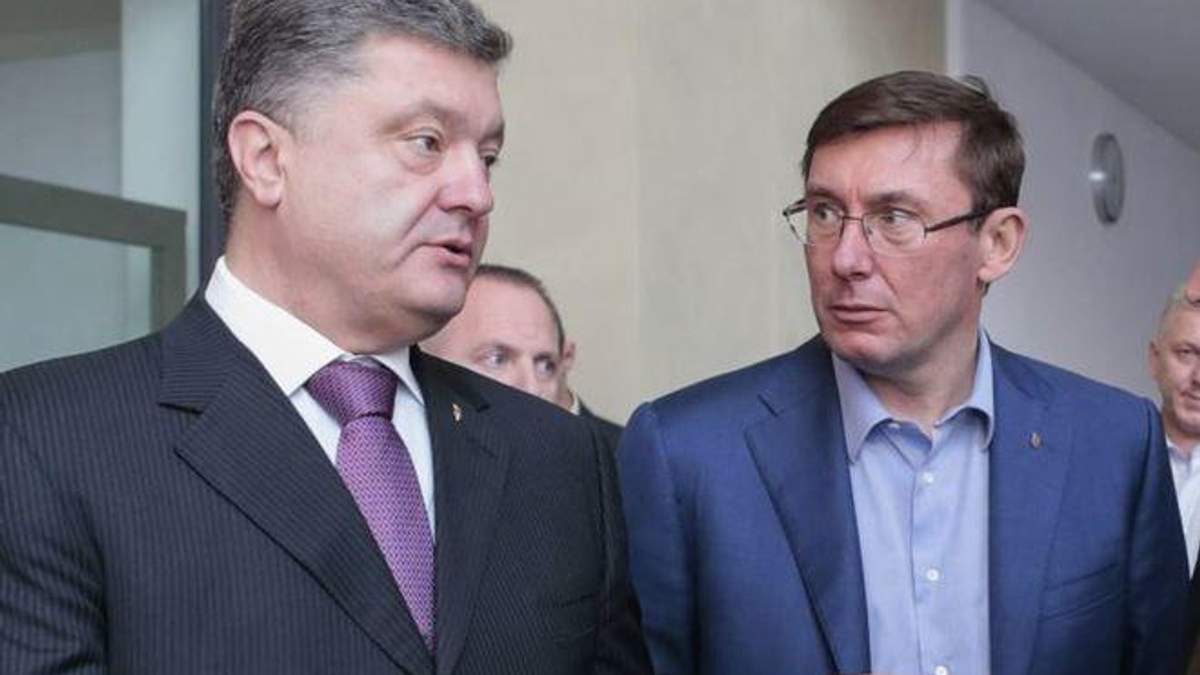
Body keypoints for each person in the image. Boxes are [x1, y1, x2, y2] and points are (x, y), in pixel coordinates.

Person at [0, 1, 649, 673]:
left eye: (487, 157)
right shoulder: (44, 442)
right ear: (266, 158)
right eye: (426, 142)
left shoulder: (558, 457)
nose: (476, 193)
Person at [617, 70, 1187, 675]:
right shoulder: (688, 455)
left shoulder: (1113, 445)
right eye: (825, 213)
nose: (845, 258)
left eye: (894, 218)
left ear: (997, 243)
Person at [423, 263, 623, 451]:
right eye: (497, 360)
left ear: (566, 360)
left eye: (545, 365)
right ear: (427, 359)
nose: (531, 388)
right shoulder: (414, 457)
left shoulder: (622, 460)